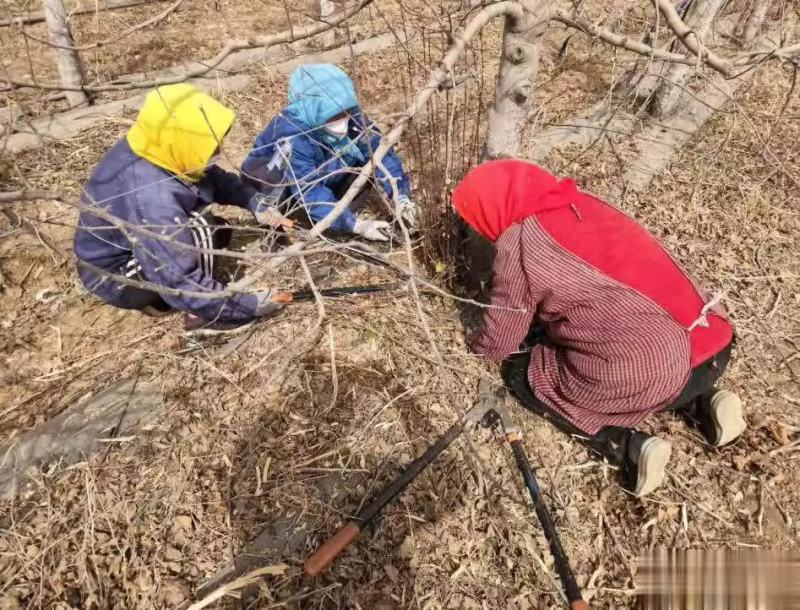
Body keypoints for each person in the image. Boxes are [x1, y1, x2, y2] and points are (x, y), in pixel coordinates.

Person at [452, 159, 746, 498]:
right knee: (640, 344)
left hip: (663, 368)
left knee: (525, 374)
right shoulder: (581, 201)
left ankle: (628, 447)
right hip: (715, 336)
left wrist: (474, 346)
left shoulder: (519, 241)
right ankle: (705, 400)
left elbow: (499, 341)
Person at [74, 83, 284, 335]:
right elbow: (176, 277)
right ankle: (201, 316)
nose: (218, 152)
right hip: (114, 276)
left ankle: (167, 296)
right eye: (212, 146)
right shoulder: (151, 197)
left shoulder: (158, 145)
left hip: (134, 246)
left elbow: (211, 177)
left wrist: (254, 201)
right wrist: (243, 305)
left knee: (216, 229)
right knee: (202, 226)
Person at [241, 63, 417, 242]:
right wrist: (357, 226)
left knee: (366, 164)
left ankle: (337, 217)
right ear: (314, 109)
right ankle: (282, 222)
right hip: (283, 184)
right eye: (333, 117)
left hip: (322, 173)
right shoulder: (293, 134)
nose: (342, 121)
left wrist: (401, 196)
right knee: (269, 178)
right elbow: (308, 189)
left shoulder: (352, 117)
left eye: (346, 112)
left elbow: (380, 153)